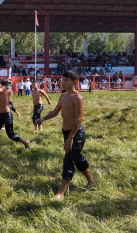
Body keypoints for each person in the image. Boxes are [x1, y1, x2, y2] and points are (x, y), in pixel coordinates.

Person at [35, 70, 94, 201]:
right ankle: (91, 180)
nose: (63, 82)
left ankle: (60, 193)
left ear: (75, 82)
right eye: (62, 79)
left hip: (76, 133)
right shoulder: (62, 96)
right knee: (77, 158)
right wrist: (42, 118)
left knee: (69, 160)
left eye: (66, 80)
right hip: (66, 132)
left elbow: (78, 119)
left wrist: (71, 137)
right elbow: (55, 112)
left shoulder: (77, 98)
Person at [0, 74, 30, 154]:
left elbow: (0, 91)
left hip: (7, 115)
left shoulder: (4, 88)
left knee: (11, 135)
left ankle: (26, 142)